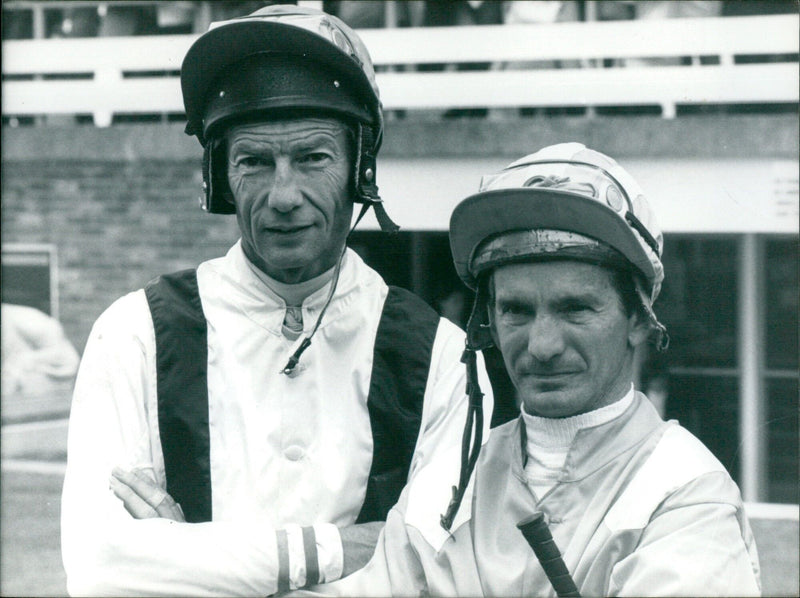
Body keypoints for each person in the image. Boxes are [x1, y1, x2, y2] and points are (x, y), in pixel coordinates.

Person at [60, 5, 493, 596]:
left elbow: (440, 574)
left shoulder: (445, 359)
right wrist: (348, 548)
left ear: (360, 167)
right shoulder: (134, 334)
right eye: (254, 162)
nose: (283, 194)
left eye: (313, 157)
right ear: (221, 178)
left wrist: (188, 558)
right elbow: (101, 565)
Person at [301, 143, 761, 597]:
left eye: (575, 309)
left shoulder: (683, 495)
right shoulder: (447, 484)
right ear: (488, 323)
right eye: (516, 311)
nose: (541, 346)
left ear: (639, 319)